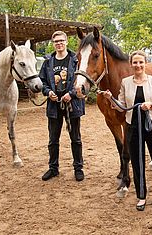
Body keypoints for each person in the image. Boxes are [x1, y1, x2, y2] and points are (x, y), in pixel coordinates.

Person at [100, 50, 152, 211]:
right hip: (133, 127)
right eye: (135, 62)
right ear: (131, 64)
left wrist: (151, 105)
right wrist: (110, 99)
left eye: (141, 62)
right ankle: (141, 197)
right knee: (137, 162)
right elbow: (121, 106)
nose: (138, 65)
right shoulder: (126, 82)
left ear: (145, 63)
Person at [39, 31, 85, 181]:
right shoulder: (48, 62)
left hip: (73, 104)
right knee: (53, 139)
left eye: (61, 41)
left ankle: (78, 168)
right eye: (56, 41)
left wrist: (71, 94)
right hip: (54, 106)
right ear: (53, 44)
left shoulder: (75, 60)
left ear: (66, 42)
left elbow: (81, 80)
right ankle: (53, 168)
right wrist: (48, 92)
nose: (59, 44)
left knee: (75, 139)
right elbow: (42, 82)